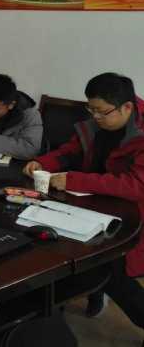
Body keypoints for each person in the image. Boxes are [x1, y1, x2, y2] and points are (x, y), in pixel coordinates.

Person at [23, 73, 144, 331]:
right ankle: (52, 310)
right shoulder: (95, 125)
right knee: (53, 246)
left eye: (101, 112)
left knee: (113, 270)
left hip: (132, 215)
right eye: (91, 109)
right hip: (93, 206)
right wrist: (42, 163)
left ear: (127, 107)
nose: (95, 117)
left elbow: (137, 186)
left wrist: (75, 180)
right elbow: (69, 153)